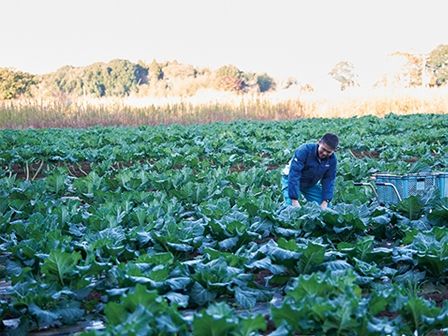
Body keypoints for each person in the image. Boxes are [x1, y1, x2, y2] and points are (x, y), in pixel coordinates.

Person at [281, 133, 338, 209]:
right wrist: (294, 199)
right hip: (290, 178)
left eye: (328, 152)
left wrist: (325, 201)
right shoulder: (304, 150)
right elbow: (294, 174)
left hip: (309, 183)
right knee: (290, 209)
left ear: (334, 151)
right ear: (319, 142)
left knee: (326, 208)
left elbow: (329, 180)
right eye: (323, 149)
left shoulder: (332, 160)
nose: (324, 153)